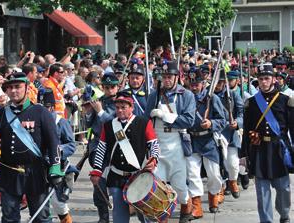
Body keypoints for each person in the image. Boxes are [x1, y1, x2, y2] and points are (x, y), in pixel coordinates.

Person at [0, 72, 64, 223]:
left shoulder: (40, 111)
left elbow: (53, 142)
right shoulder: (3, 113)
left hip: (35, 173)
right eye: (9, 87)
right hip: (8, 173)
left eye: (17, 86)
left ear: (27, 88)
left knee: (41, 218)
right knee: (9, 218)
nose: (13, 91)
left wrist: (56, 166)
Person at [89, 93, 159, 223]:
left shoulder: (144, 123)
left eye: (123, 107)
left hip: (139, 176)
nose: (120, 110)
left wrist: (154, 159)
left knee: (145, 214)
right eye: (117, 107)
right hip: (117, 176)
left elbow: (153, 145)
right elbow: (101, 149)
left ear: (131, 107)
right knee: (119, 213)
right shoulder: (109, 125)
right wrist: (97, 170)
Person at [241, 63, 294, 223]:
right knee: (262, 194)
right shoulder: (251, 103)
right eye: (261, 79)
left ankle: (284, 215)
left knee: (284, 190)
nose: (264, 82)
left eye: (267, 78)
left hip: (279, 151)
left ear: (274, 79)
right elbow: (246, 131)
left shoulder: (285, 101)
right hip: (259, 151)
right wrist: (243, 154)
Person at [145, 60, 196, 223]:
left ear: (177, 77)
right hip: (158, 144)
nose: (166, 80)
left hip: (177, 144)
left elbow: (189, 121)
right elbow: (147, 121)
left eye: (170, 76)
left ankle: (186, 205)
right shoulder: (154, 95)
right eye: (164, 76)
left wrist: (165, 116)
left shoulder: (186, 95)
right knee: (158, 185)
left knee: (179, 184)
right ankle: (162, 215)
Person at [187, 69, 226, 218]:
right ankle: (196, 205)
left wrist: (211, 123)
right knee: (192, 173)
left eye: (196, 84)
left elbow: (222, 120)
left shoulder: (213, 98)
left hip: (208, 141)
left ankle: (213, 195)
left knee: (214, 174)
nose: (194, 87)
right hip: (191, 140)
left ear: (203, 84)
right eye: (192, 84)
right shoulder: (186, 98)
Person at [82, 73, 120, 223]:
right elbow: (89, 125)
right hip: (98, 145)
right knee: (98, 180)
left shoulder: (121, 102)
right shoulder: (99, 101)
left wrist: (100, 112)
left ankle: (122, 211)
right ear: (102, 87)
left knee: (119, 180)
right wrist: (88, 112)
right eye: (106, 87)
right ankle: (103, 216)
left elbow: (115, 124)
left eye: (112, 87)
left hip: (117, 144)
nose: (109, 90)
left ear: (117, 87)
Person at [38, 88, 77, 223]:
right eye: (40, 107)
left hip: (58, 167)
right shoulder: (35, 121)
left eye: (46, 107)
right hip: (40, 166)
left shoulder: (61, 122)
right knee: (40, 202)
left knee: (59, 203)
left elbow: (71, 145)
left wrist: (57, 150)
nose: (43, 110)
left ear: (52, 107)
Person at [214, 70, 244, 199]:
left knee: (232, 164)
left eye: (221, 82)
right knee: (216, 166)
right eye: (216, 82)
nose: (218, 85)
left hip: (230, 133)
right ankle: (219, 188)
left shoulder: (232, 95)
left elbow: (242, 113)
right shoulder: (208, 95)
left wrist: (237, 123)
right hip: (214, 134)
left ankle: (232, 181)